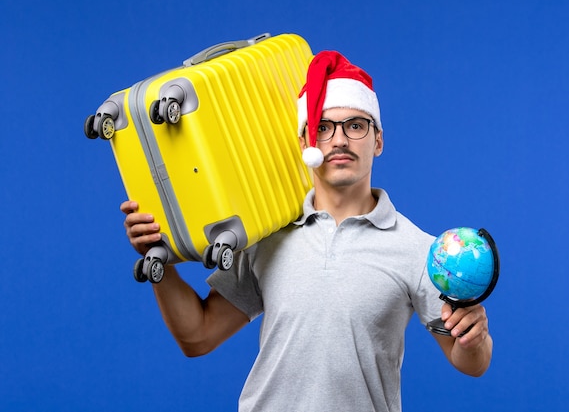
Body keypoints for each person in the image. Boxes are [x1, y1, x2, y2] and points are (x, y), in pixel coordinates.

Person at [121, 50, 493, 411]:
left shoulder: (417, 249)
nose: (340, 140)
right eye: (323, 127)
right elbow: (197, 336)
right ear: (305, 143)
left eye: (356, 125)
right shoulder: (267, 235)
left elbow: (470, 363)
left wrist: (475, 339)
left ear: (378, 140)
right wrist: (161, 262)